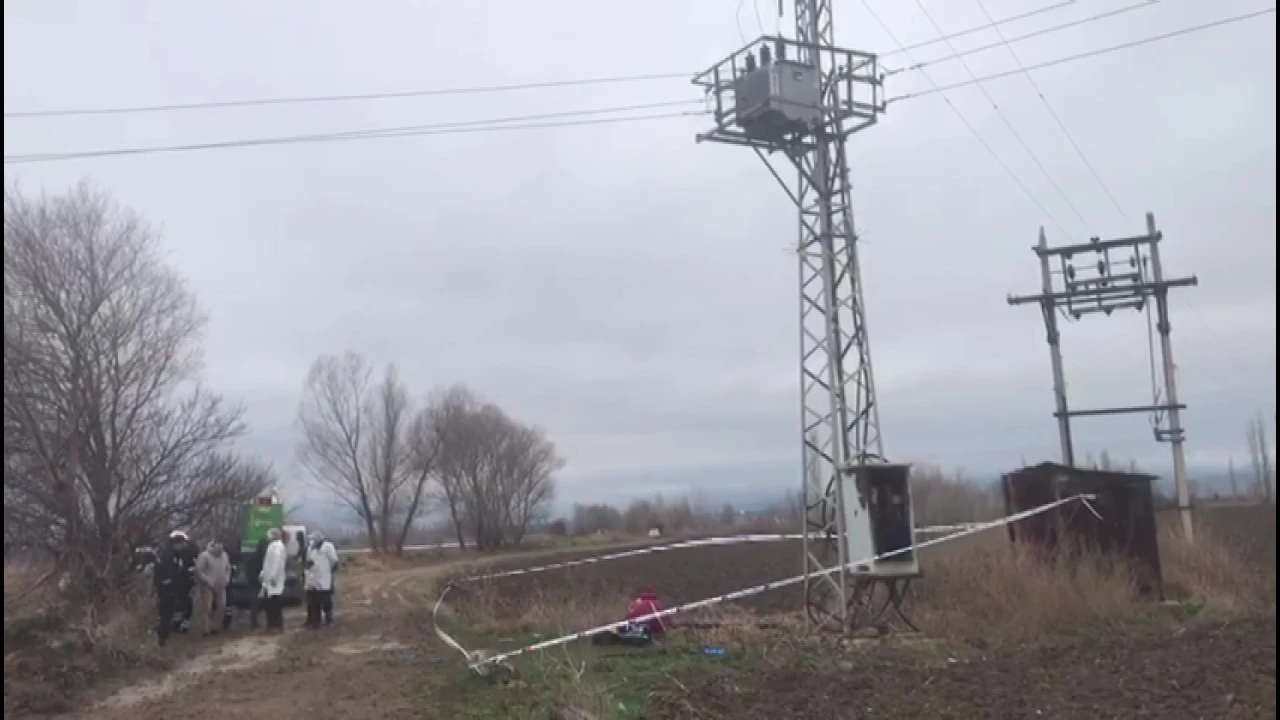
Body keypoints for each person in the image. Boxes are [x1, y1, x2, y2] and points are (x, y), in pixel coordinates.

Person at [152, 531, 191, 646]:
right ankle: (162, 639)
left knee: (170, 614)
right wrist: (169, 586)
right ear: (176, 543)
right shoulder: (167, 556)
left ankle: (166, 635)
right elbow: (167, 575)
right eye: (182, 543)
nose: (184, 546)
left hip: (173, 589)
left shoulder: (176, 555)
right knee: (166, 614)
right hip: (166, 590)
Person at [303, 532, 340, 628]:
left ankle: (329, 619)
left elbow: (334, 560)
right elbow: (309, 560)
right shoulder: (311, 547)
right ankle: (315, 621)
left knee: (325, 600)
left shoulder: (327, 546)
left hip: (324, 577)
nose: (312, 541)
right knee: (313, 601)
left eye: (314, 539)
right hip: (312, 577)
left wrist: (329, 571)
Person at [194, 540, 231, 636]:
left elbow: (228, 568)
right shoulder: (204, 556)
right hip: (207, 585)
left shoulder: (225, 555)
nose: (220, 551)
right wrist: (206, 580)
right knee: (207, 607)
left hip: (221, 584)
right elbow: (199, 570)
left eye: (221, 549)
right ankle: (206, 629)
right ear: (213, 547)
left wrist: (227, 578)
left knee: (222, 605)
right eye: (218, 549)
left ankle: (216, 627)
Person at [258, 528, 288, 633]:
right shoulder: (272, 545)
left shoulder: (278, 546)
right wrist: (263, 573)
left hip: (274, 579)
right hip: (269, 579)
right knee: (269, 604)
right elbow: (267, 562)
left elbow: (277, 563)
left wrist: (273, 576)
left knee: (275, 604)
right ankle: (271, 625)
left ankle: (277, 625)